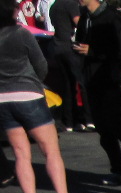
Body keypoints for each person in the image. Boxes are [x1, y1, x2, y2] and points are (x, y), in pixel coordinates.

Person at [0, 0, 81, 193]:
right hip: (29, 94)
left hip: (3, 98)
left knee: (20, 154)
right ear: (13, 12)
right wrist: (36, 82)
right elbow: (41, 64)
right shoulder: (21, 34)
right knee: (50, 150)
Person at [76, 0, 121, 181]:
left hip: (110, 80)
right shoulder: (85, 17)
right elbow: (81, 41)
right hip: (91, 79)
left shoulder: (113, 18)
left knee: (119, 126)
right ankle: (118, 169)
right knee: (103, 130)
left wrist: (92, 51)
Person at [48, 0, 90, 129]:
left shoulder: (54, 6)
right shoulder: (70, 4)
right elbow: (79, 23)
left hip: (57, 47)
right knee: (81, 83)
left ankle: (69, 121)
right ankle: (88, 120)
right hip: (70, 47)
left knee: (67, 85)